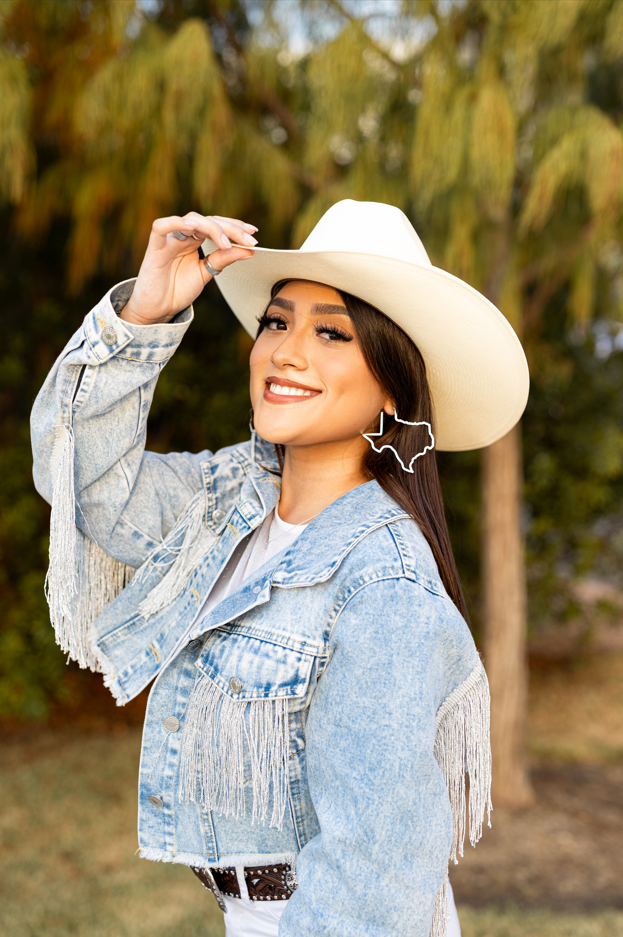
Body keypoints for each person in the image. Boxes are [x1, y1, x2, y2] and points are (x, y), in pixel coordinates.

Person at [31, 200, 529, 937]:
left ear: (392, 388)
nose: (285, 353)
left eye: (331, 332)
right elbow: (85, 484)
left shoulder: (383, 585)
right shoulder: (231, 498)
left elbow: (371, 873)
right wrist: (143, 316)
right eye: (276, 322)